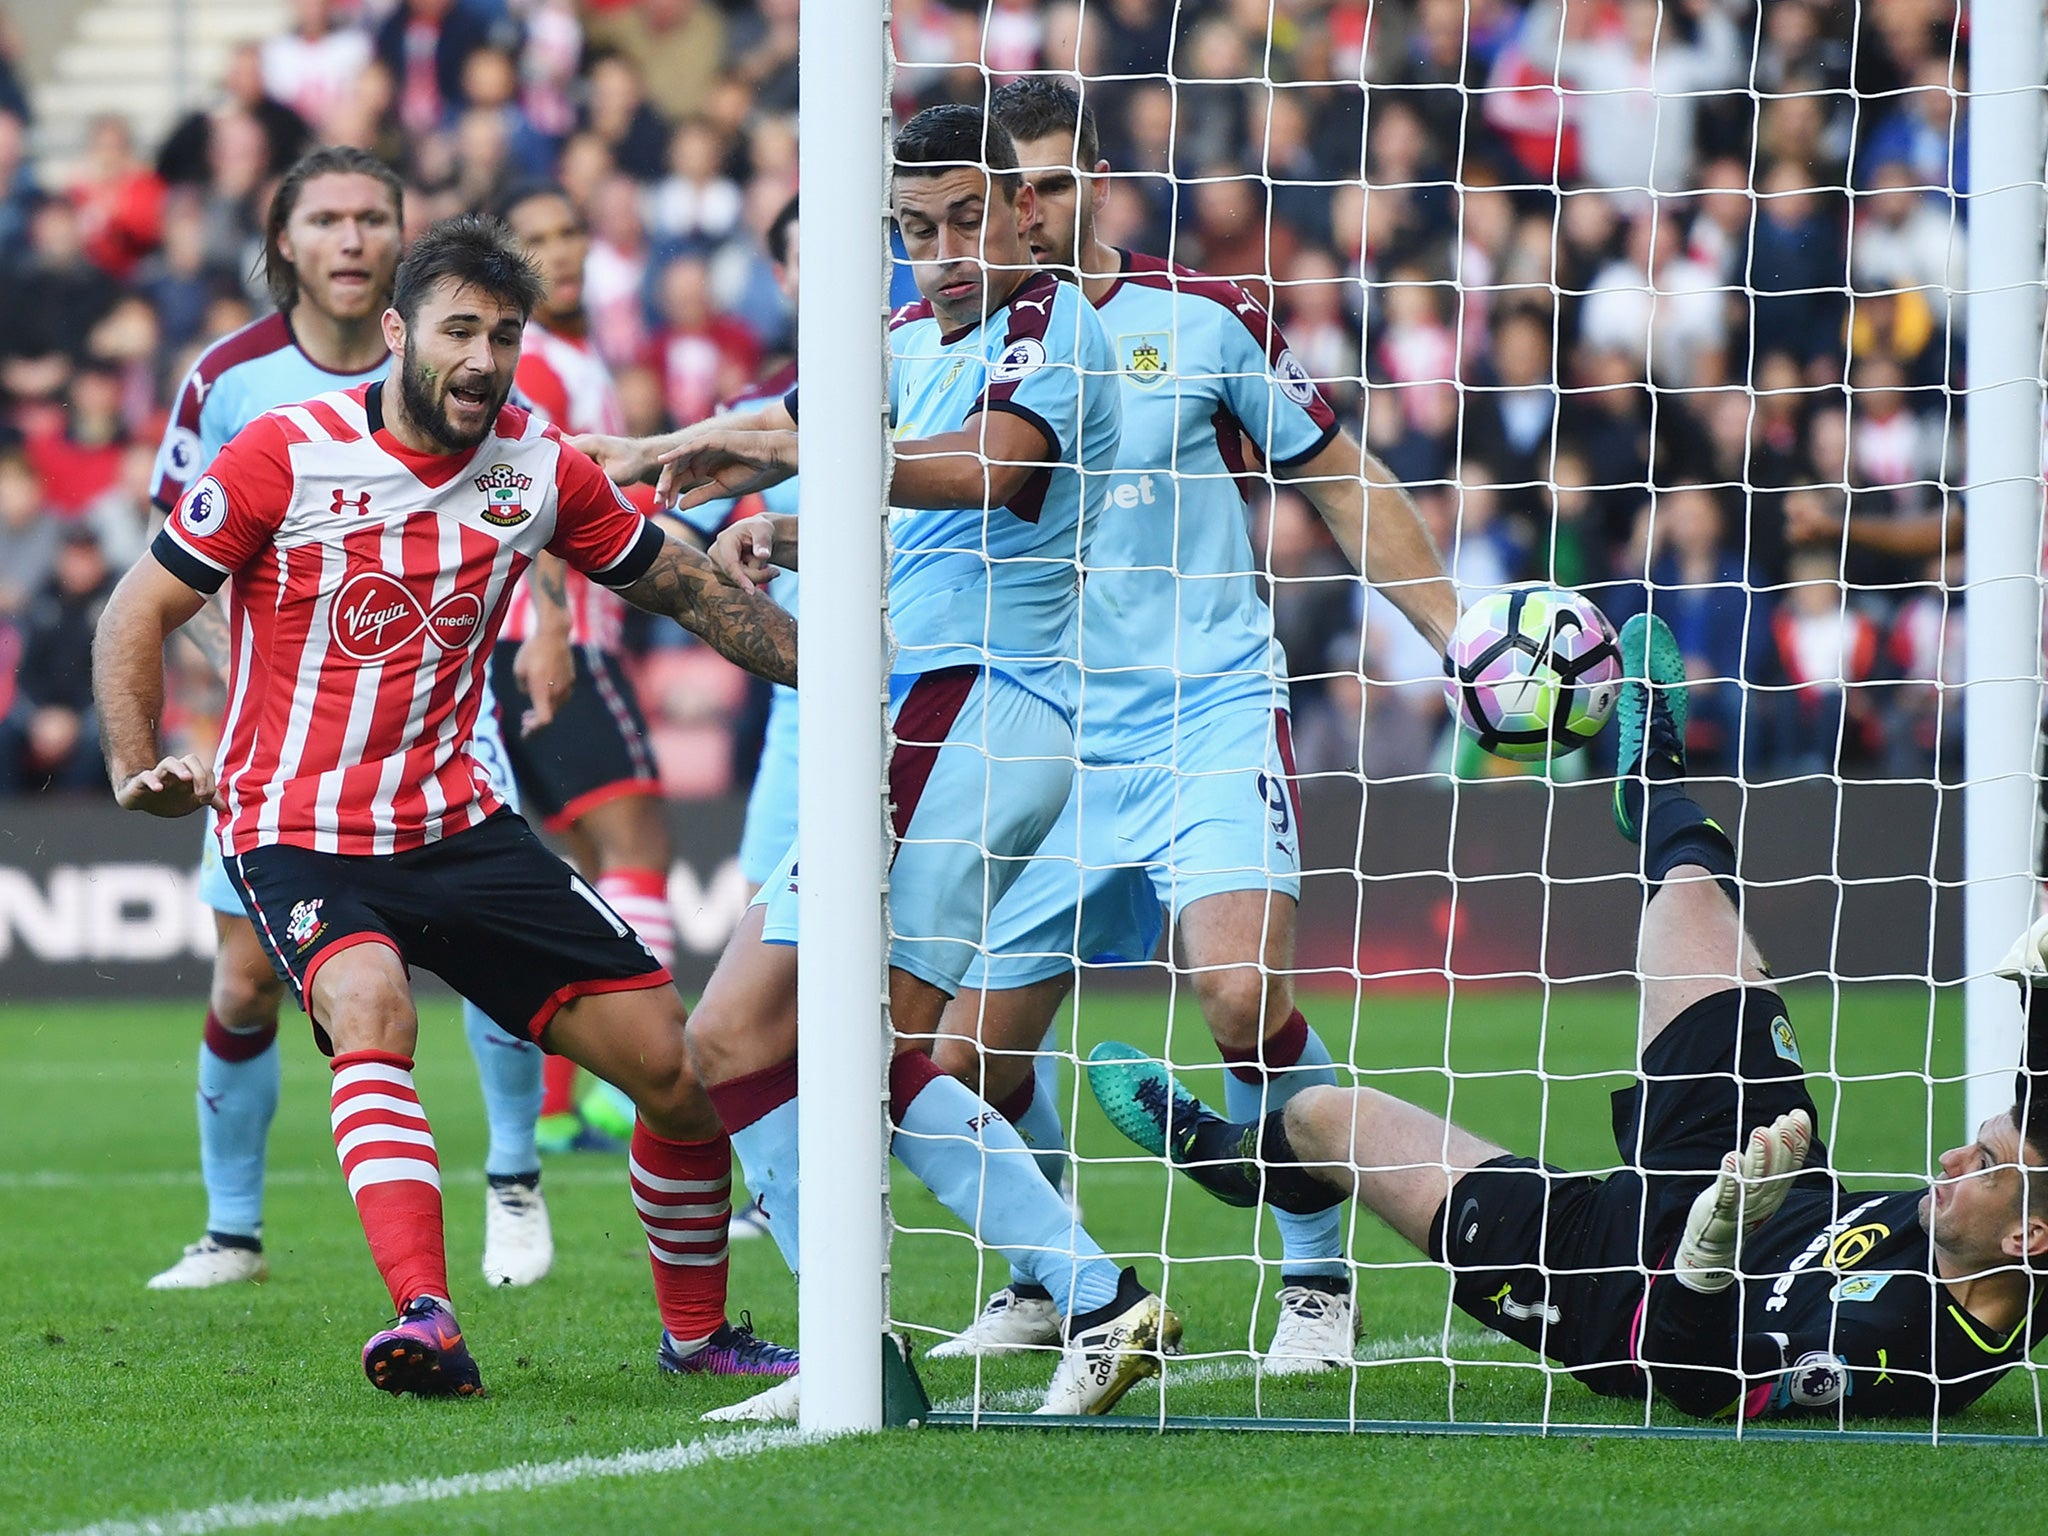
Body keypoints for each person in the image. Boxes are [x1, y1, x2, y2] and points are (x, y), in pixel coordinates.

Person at [94, 214, 802, 1399]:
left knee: (678, 1075)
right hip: (299, 829)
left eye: (505, 334)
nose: (482, 358)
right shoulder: (282, 450)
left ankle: (698, 1337)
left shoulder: (536, 468)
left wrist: (844, 674)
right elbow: (137, 610)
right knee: (370, 1010)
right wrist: (132, 766)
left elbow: (684, 591)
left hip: (461, 828)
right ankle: (425, 1314)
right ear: (395, 332)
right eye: (458, 329)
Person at [1089, 614, 2048, 1421]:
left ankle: (1223, 1156)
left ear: (2025, 1243)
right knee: (1693, 899)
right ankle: (1655, 782)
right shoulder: (1993, 1218)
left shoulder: (1904, 1356)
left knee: (1321, 1119)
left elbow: (1693, 1382)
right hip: (1761, 1163)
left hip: (1613, 1288)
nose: (1955, 1159)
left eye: (1986, 1166)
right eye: (1980, 1143)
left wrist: (1711, 1251)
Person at [927, 77, 1459, 1374]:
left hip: (1204, 713)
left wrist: (1461, 638)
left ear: (1095, 182)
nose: (1031, 211)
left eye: (1051, 184)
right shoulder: (937, 340)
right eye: (1008, 194)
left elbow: (1336, 475)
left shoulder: (1209, 321)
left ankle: (1318, 1283)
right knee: (962, 1071)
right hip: (1036, 733)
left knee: (1237, 993)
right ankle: (1048, 1278)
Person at [653, 104, 1173, 1421]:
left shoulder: (1052, 327)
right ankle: (944, 1330)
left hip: (974, 710)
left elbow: (992, 477)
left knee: (783, 1035)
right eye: (915, 228)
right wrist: (611, 470)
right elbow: (741, 440)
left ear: (1020, 209)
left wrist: (790, 459)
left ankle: (1082, 1299)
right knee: (756, 1042)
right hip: (917, 717)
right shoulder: (902, 343)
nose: (942, 250)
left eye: (963, 219)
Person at [141, 147, 559, 1293]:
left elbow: (538, 497)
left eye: (373, 216)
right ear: (285, 242)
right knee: (243, 980)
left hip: (445, 721)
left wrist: (556, 617)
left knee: (505, 951)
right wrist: (264, 682)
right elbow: (171, 567)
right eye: (324, 217)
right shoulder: (230, 381)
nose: (351, 235)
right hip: (284, 749)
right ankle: (233, 1232)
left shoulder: (468, 369)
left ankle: (513, 1181)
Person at [490, 179, 680, 1156]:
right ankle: (625, 1086)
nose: (561, 252)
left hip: (532, 640)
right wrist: (558, 623)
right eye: (538, 237)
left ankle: (567, 1104)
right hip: (552, 637)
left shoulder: (576, 356)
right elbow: (539, 490)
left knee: (590, 868)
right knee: (636, 839)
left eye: (570, 234)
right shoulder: (543, 367)